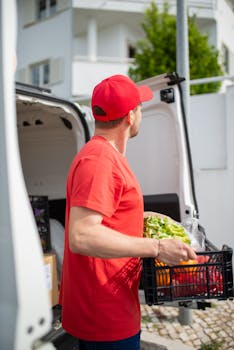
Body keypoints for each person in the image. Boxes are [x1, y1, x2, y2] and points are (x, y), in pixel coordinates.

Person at [59, 74, 196, 350]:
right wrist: (157, 246)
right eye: (140, 107)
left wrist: (148, 219)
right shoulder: (99, 161)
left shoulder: (103, 156)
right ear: (130, 116)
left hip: (111, 308)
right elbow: (82, 235)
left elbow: (107, 217)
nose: (140, 112)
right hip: (105, 317)